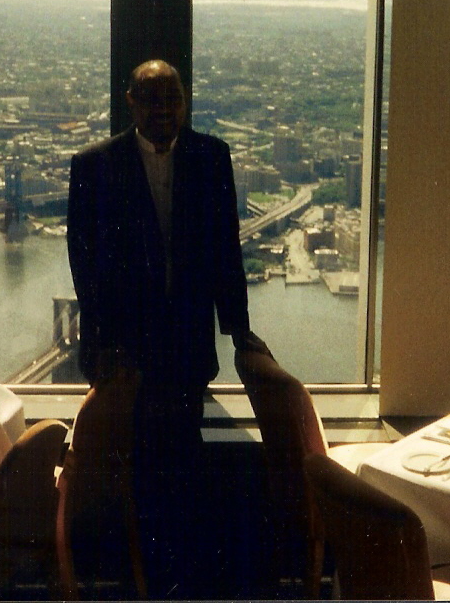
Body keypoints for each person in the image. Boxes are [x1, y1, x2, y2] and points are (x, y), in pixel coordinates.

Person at [66, 59, 268, 596]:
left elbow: (226, 249)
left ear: (185, 101)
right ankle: (136, 576)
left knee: (182, 459)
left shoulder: (211, 156)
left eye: (173, 98)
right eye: (153, 100)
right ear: (130, 102)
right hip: (125, 352)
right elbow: (83, 265)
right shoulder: (94, 165)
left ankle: (175, 576)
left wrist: (239, 330)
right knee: (131, 465)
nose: (165, 110)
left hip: (186, 346)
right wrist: (103, 343)